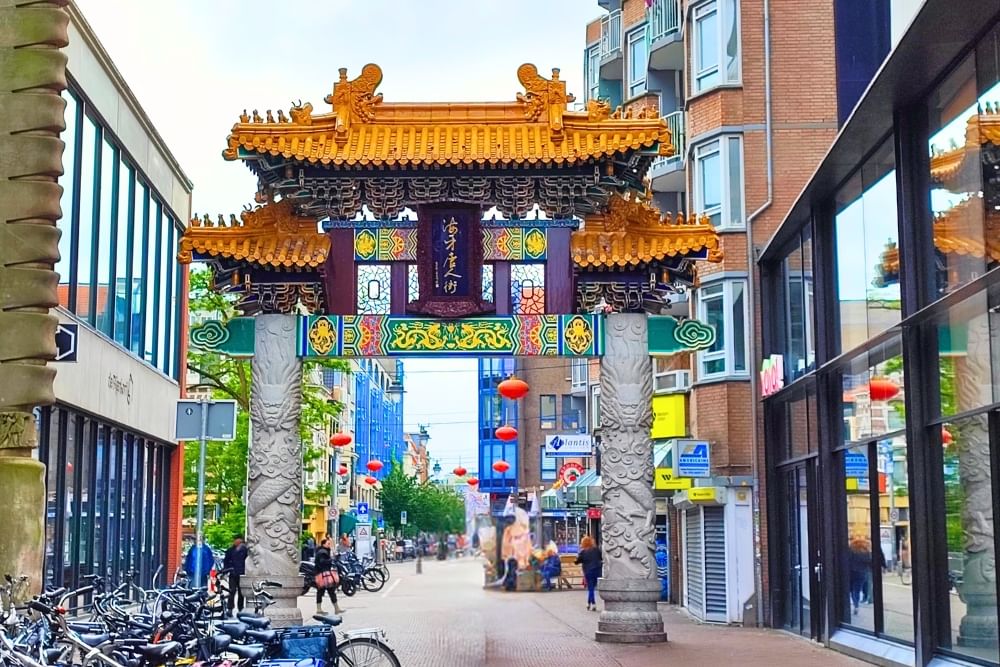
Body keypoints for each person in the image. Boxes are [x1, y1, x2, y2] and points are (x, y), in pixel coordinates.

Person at [314, 537, 344, 614]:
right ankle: (334, 609)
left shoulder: (322, 551)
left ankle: (333, 608)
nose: (329, 545)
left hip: (322, 574)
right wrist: (332, 559)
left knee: (324, 591)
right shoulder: (323, 552)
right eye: (328, 543)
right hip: (324, 575)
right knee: (328, 591)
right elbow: (322, 562)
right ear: (323, 544)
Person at [575, 535, 602, 611]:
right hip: (597, 570)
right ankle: (588, 603)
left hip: (588, 571)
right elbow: (601, 558)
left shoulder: (583, 552)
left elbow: (576, 562)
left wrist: (577, 557)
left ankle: (593, 603)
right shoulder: (596, 550)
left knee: (590, 588)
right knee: (592, 588)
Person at [222, 534, 248, 614]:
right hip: (233, 573)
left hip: (242, 573)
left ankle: (240, 608)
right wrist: (226, 570)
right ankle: (230, 608)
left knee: (241, 592)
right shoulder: (230, 550)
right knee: (231, 591)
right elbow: (226, 561)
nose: (235, 542)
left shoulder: (245, 550)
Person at [847, 535, 871, 615]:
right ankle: (856, 605)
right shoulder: (866, 551)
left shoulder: (850, 550)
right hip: (862, 573)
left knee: (852, 590)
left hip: (851, 572)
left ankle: (856, 604)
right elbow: (869, 561)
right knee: (857, 590)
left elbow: (848, 560)